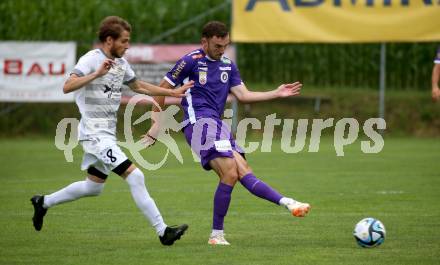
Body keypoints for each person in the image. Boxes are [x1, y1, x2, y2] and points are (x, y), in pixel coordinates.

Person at [144, 21, 310, 245]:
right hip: (199, 124)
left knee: (243, 171)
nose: (222, 50)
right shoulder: (189, 62)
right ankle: (216, 234)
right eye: (217, 46)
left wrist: (276, 93)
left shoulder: (228, 65)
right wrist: (156, 123)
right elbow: (161, 89)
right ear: (205, 41)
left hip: (218, 125)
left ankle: (287, 202)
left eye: (225, 45)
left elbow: (243, 95)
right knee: (231, 172)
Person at [30, 16, 191, 246]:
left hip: (106, 135)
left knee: (93, 187)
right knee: (136, 175)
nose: (127, 46)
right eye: (124, 41)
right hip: (94, 135)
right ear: (109, 40)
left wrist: (174, 93)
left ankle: (42, 202)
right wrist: (96, 74)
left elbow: (139, 86)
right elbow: (67, 86)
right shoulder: (91, 59)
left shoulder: (122, 64)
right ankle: (163, 231)